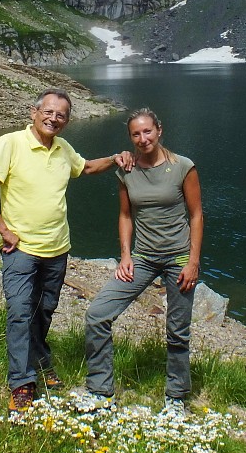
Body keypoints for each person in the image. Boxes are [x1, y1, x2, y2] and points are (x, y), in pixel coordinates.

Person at [0, 88, 133, 414]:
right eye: (48, 111)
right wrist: (4, 230)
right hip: (21, 250)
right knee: (19, 312)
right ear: (34, 112)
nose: (53, 118)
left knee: (43, 311)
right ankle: (22, 383)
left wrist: (114, 159)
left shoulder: (62, 149)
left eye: (61, 115)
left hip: (58, 249)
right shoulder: (10, 143)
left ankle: (41, 361)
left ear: (67, 121)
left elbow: (84, 168)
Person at [84, 107, 203, 415]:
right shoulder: (126, 170)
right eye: (135, 134)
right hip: (143, 258)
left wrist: (193, 262)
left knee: (177, 330)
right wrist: (125, 256)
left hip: (178, 258)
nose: (142, 138)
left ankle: (176, 397)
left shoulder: (183, 167)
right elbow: (125, 215)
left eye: (147, 131)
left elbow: (196, 215)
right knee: (98, 314)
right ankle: (101, 392)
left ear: (159, 130)